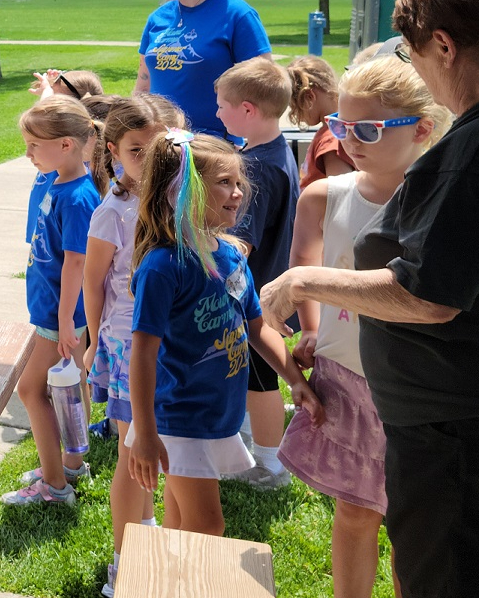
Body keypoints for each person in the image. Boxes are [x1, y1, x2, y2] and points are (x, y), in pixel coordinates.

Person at [260, 0, 479, 595]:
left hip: (464, 440)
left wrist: (301, 281)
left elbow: (428, 296)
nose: (424, 75)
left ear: (444, 46)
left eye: (417, 58)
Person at [278, 59, 447, 598]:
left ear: (422, 129)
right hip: (346, 374)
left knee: (409, 524)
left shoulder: (445, 201)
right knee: (354, 512)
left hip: (413, 387)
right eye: (340, 127)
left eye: (368, 129)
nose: (350, 141)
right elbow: (303, 272)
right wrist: (308, 330)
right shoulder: (323, 196)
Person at [124, 131, 322, 538]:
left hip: (216, 414)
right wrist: (144, 433)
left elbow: (255, 327)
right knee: (207, 526)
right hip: (178, 418)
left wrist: (295, 381)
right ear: (184, 192)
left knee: (180, 524)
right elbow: (142, 354)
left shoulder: (230, 254)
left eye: (237, 183)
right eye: (223, 182)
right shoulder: (164, 267)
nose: (237, 193)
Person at [79, 97, 173, 595]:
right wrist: (94, 342)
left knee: (153, 445)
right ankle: (122, 559)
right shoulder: (111, 212)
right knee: (130, 450)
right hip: (125, 345)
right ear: (113, 151)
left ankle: (147, 525)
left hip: (168, 341)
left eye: (160, 149)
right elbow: (93, 283)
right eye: (138, 150)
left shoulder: (177, 199)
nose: (150, 160)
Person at [1, 95, 100, 507]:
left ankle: (55, 487)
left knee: (30, 391)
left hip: (60, 316)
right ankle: (72, 464)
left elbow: (77, 263)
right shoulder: (60, 180)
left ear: (66, 145)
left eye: (33, 146)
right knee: (70, 388)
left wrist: (62, 322)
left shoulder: (77, 197)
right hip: (57, 313)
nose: (27, 154)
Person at [211, 58, 300, 489]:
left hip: (257, 297)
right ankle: (257, 440)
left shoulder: (257, 169)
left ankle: (271, 464)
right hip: (268, 289)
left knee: (260, 379)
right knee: (253, 376)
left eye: (222, 105)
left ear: (248, 110)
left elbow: (240, 243)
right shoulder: (272, 149)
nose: (216, 113)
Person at [134, 0, 273, 141]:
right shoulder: (157, 18)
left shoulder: (236, 14)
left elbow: (265, 86)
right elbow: (144, 84)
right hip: (160, 145)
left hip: (214, 148)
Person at [25, 69, 106, 245]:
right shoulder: (76, 139)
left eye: (55, 100)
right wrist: (49, 88)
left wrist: (47, 88)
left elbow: (75, 261)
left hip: (58, 236)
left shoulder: (69, 151)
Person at [288, 56, 353, 188]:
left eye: (295, 108)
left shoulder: (332, 139)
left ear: (309, 97)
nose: (297, 115)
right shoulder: (330, 131)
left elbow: (338, 192)